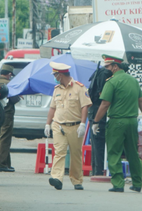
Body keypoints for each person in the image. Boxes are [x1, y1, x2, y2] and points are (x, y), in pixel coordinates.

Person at [93, 54, 142, 193]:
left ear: (115, 66)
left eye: (108, 66)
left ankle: (118, 184)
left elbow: (105, 104)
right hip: (132, 122)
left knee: (114, 152)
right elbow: (141, 101)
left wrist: (96, 121)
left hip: (117, 122)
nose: (106, 69)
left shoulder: (111, 82)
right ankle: (137, 183)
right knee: (132, 152)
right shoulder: (133, 81)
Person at [44, 62, 92, 190]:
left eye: (55, 74)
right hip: (58, 125)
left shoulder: (79, 88)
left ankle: (77, 180)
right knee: (59, 152)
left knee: (75, 153)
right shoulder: (57, 89)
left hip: (75, 126)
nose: (54, 77)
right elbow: (52, 108)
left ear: (60, 75)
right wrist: (48, 124)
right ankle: (57, 178)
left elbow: (85, 107)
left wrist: (83, 123)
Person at [87, 66, 112, 175]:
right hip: (99, 111)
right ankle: (99, 170)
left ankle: (97, 169)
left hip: (95, 110)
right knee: (98, 142)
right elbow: (103, 96)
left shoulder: (99, 72)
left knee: (97, 142)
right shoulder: (104, 74)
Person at [0, 64, 19, 172]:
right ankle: (1, 164)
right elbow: (15, 99)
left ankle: (6, 163)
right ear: (9, 74)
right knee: (5, 138)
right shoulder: (10, 84)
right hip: (7, 113)